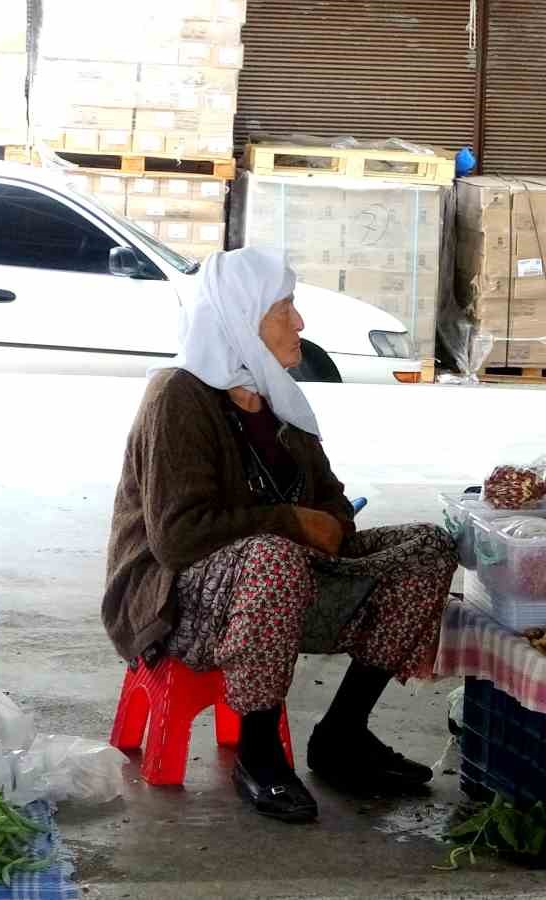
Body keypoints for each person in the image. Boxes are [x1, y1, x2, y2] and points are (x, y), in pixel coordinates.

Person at [102, 248, 459, 824]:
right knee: (274, 558)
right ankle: (258, 752)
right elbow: (177, 537)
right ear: (239, 317)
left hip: (278, 587)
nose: (299, 323)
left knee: (428, 548)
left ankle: (342, 734)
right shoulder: (179, 396)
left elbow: (334, 502)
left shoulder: (277, 399)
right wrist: (290, 522)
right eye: (284, 307)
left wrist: (327, 524)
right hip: (178, 601)